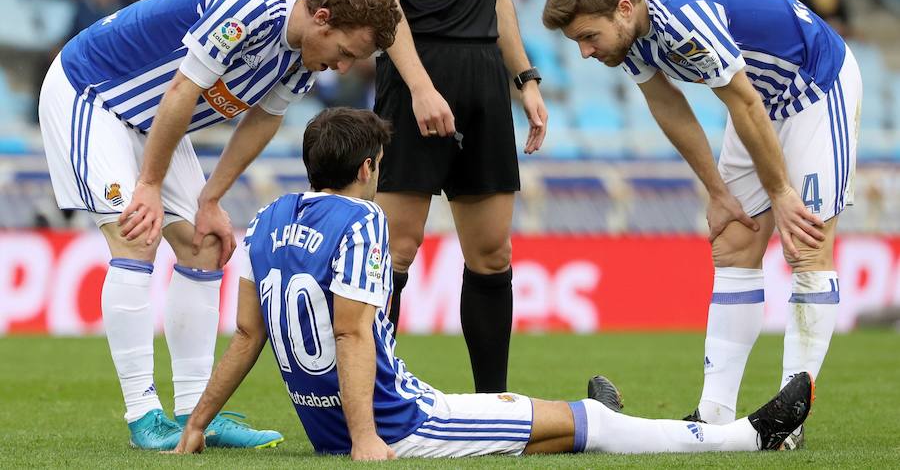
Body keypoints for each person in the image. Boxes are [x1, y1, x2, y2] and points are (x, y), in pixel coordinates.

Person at [172, 106, 814, 459]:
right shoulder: (362, 220)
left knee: (519, 419)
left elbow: (247, 335)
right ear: (368, 168)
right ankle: (746, 436)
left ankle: (575, 426)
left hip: (334, 428)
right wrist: (367, 439)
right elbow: (351, 334)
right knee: (587, 421)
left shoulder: (267, 219)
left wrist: (197, 424)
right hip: (402, 422)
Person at [38, 0, 401, 450]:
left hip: (151, 119)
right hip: (92, 93)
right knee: (135, 233)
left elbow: (263, 119)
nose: (341, 67)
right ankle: (143, 416)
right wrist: (149, 184)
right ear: (322, 19)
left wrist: (210, 199)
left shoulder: (304, 57)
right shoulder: (248, 4)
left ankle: (196, 414)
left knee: (206, 243)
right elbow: (182, 90)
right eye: (345, 52)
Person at [542, 0, 862, 449]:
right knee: (733, 242)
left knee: (806, 245)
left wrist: (781, 192)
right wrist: (717, 192)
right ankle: (713, 414)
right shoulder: (627, 24)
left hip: (815, 88)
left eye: (588, 37)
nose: (585, 51)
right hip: (757, 99)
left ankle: (789, 424)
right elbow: (667, 103)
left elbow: (743, 101)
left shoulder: (682, 15)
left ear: (623, 9)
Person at [360, 0, 548, 393]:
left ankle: (494, 406)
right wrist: (419, 87)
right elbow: (382, 0)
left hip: (483, 79)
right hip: (418, 71)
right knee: (395, 250)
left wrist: (524, 77)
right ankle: (372, 401)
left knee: (493, 252)